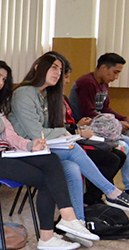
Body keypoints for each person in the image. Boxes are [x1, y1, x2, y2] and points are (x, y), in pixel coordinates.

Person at [0, 58, 99, 250]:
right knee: (48, 176)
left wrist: (30, 145)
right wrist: (10, 148)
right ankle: (54, 231)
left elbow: (10, 133)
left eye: (4, 79)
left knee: (51, 161)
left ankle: (63, 222)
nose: (1, 82)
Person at [9, 54, 129, 236]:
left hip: (40, 147)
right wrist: (67, 133)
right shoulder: (24, 92)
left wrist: (64, 133)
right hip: (22, 149)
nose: (58, 73)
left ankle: (78, 223)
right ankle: (111, 191)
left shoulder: (44, 94)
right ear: (37, 68)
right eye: (54, 68)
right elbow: (36, 133)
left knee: (72, 167)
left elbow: (46, 131)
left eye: (60, 70)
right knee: (73, 148)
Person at [53, 53, 127, 206]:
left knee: (118, 154)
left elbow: (105, 109)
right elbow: (88, 112)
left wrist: (123, 119)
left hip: (82, 131)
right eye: (115, 72)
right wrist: (118, 124)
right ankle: (97, 197)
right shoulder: (86, 83)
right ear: (103, 67)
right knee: (121, 148)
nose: (116, 77)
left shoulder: (102, 84)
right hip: (83, 132)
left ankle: (99, 195)